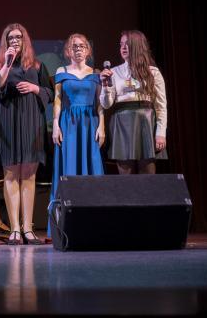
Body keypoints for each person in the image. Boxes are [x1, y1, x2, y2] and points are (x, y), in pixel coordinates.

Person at [0, 23, 53, 245]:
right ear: (5, 42)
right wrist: (6, 64)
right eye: (11, 38)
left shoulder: (36, 66)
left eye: (18, 37)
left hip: (31, 120)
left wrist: (35, 88)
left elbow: (50, 92)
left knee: (28, 174)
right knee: (11, 174)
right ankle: (14, 229)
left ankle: (28, 228)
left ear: (25, 40)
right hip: (8, 120)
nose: (15, 41)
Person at [49, 33, 105, 236]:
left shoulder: (96, 73)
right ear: (68, 51)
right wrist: (55, 124)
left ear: (88, 50)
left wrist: (102, 126)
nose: (78, 49)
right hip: (69, 123)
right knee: (68, 169)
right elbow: (57, 100)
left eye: (82, 46)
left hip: (90, 123)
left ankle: (95, 222)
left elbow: (100, 103)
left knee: (92, 168)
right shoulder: (61, 71)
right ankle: (65, 225)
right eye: (74, 46)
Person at [99, 30, 167, 174]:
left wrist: (161, 132)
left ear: (137, 46)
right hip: (122, 123)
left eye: (127, 44)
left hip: (146, 122)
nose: (123, 48)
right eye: (121, 44)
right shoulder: (114, 72)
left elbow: (161, 106)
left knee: (147, 175)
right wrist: (105, 86)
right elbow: (106, 104)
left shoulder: (152, 72)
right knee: (125, 175)